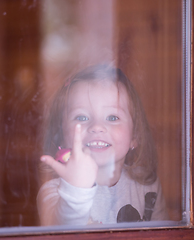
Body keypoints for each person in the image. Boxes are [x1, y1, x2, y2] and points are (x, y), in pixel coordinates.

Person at [37, 65, 168, 226]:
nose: (97, 126)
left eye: (112, 117)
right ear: (62, 135)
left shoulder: (148, 186)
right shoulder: (55, 191)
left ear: (135, 135)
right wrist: (75, 191)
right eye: (82, 117)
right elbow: (63, 228)